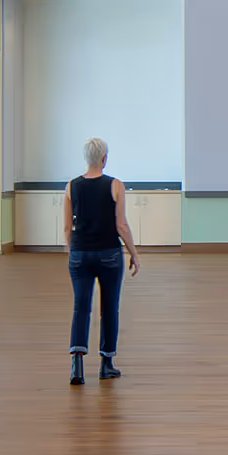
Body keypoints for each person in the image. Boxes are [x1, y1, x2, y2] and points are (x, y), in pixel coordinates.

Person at [63, 136, 140, 384]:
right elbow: (121, 225)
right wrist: (134, 253)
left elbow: (67, 228)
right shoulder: (116, 185)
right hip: (109, 255)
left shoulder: (71, 187)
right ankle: (106, 363)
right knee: (109, 308)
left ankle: (77, 366)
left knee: (81, 307)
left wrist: (73, 250)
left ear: (87, 159)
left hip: (80, 255)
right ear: (104, 159)